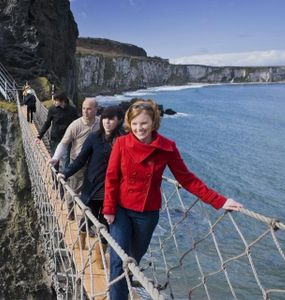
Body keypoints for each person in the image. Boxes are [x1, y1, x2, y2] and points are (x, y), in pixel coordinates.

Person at [103, 99, 243, 300]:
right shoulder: (122, 143)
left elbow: (187, 179)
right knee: (119, 260)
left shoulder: (166, 147)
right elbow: (112, 177)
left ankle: (120, 287)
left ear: (153, 122)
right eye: (134, 124)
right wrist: (108, 207)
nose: (138, 128)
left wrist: (219, 201)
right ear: (128, 123)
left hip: (147, 213)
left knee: (132, 260)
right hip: (121, 209)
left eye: (143, 123)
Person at [58, 105, 125, 269]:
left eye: (111, 119)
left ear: (119, 120)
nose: (107, 122)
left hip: (114, 191)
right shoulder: (94, 138)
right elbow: (81, 159)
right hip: (93, 187)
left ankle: (99, 254)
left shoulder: (124, 139)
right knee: (88, 216)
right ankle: (81, 241)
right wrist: (65, 173)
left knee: (106, 224)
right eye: (105, 118)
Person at [49, 98, 100, 220]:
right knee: (74, 190)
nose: (85, 111)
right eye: (83, 108)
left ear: (96, 110)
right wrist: (56, 157)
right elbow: (64, 143)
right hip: (77, 164)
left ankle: (87, 222)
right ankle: (70, 209)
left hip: (95, 165)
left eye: (88, 109)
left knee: (92, 193)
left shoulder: (100, 123)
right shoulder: (75, 125)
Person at [36, 93, 77, 170]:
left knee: (65, 159)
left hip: (67, 138)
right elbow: (47, 123)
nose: (54, 102)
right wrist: (39, 136)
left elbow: (77, 123)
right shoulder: (52, 109)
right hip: (55, 138)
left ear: (62, 101)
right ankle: (54, 177)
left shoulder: (72, 110)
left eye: (56, 100)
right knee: (54, 159)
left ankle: (63, 179)